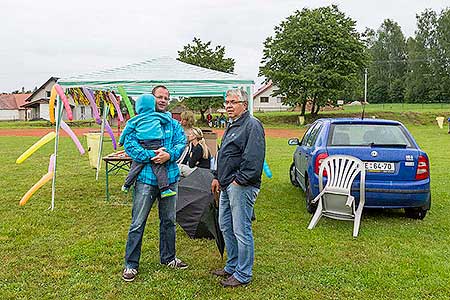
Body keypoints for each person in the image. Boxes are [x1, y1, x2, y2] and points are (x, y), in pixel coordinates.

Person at [122, 85, 188, 282]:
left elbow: (181, 143)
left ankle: (168, 258)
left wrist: (169, 155)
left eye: (166, 97)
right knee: (137, 223)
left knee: (168, 221)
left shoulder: (172, 123)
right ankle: (131, 264)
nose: (163, 100)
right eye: (159, 96)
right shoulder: (139, 122)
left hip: (170, 179)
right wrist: (151, 156)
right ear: (152, 99)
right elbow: (129, 144)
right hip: (145, 180)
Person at [210, 89, 265, 288]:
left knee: (241, 230)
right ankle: (232, 265)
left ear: (244, 104)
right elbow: (224, 153)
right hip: (226, 185)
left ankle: (243, 274)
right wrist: (217, 176)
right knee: (226, 225)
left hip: (241, 186)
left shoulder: (252, 125)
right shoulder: (232, 125)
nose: (229, 106)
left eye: (234, 102)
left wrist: (238, 181)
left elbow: (254, 159)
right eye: (227, 102)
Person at [118, 94, 176, 198]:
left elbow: (126, 131)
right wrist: (168, 113)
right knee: (159, 167)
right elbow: (167, 118)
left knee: (135, 167)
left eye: (166, 98)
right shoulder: (156, 115)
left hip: (143, 143)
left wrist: (120, 141)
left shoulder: (135, 119)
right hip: (155, 144)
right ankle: (164, 189)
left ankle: (126, 185)